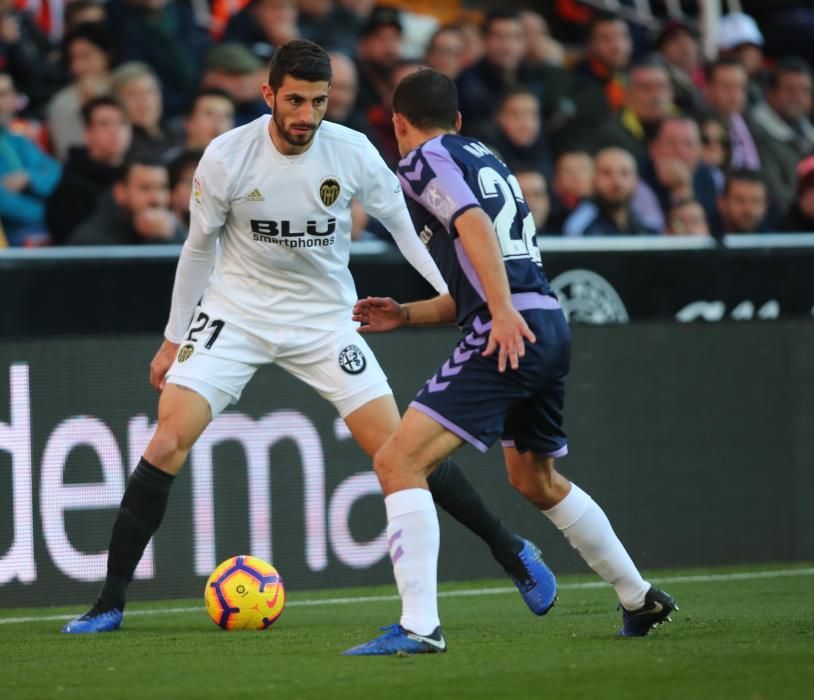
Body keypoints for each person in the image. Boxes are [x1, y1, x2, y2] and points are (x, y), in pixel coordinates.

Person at [61, 40, 557, 634]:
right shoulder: (225, 157)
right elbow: (197, 250)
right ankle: (109, 604)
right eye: (294, 100)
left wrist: (469, 301)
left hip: (325, 319)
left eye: (318, 102)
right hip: (235, 314)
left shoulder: (351, 153)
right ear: (268, 94)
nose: (305, 115)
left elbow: (408, 231)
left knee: (399, 448)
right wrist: (173, 340)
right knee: (169, 437)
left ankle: (514, 554)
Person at [344, 68, 676, 656]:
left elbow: (472, 226)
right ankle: (638, 596)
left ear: (398, 123)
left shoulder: (423, 160)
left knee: (398, 460)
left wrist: (498, 312)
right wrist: (408, 313)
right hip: (545, 321)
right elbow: (486, 268)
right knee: (534, 478)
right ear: (460, 119)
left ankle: (420, 625)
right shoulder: (486, 157)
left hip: (510, 329)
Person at [46, 95, 132, 244]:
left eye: (122, 123)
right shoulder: (70, 186)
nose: (115, 131)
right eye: (105, 124)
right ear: (88, 133)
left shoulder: (137, 175)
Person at [0, 70, 61, 246]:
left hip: (40, 229)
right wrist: (50, 210)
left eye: (4, 94)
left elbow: (55, 172)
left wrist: (28, 178)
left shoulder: (19, 140)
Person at [68, 155, 185, 245]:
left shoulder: (174, 231)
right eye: (145, 188)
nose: (156, 198)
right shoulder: (92, 241)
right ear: (120, 192)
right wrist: (159, 240)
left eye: (162, 188)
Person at [564, 147, 655, 237]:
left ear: (636, 180)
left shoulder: (645, 223)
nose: (616, 181)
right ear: (593, 179)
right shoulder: (580, 224)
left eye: (624, 173)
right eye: (606, 173)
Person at [717, 169, 768, 235]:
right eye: (739, 200)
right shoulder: (704, 238)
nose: (748, 210)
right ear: (722, 203)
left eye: (755, 201)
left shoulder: (776, 240)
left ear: (766, 205)